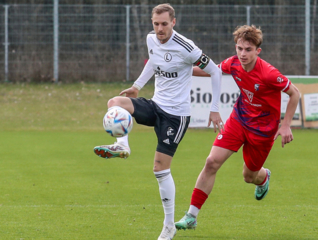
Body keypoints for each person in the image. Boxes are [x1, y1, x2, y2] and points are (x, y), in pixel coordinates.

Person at [93, 3, 223, 240]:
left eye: (164, 24)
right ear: (152, 23)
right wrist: (136, 87)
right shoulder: (151, 40)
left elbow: (215, 71)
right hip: (155, 105)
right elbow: (153, 62)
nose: (160, 28)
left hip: (176, 116)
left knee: (160, 169)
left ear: (174, 22)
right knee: (115, 102)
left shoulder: (187, 47)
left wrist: (214, 110)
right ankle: (122, 144)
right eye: (156, 24)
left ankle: (168, 225)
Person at [175, 25, 300, 231]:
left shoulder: (269, 74)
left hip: (262, 131)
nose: (243, 54)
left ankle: (264, 177)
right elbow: (211, 70)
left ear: (257, 51)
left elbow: (294, 93)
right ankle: (191, 216)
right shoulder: (233, 63)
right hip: (238, 120)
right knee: (211, 162)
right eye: (240, 48)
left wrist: (285, 124)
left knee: (248, 176)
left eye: (248, 50)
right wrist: (181, 70)